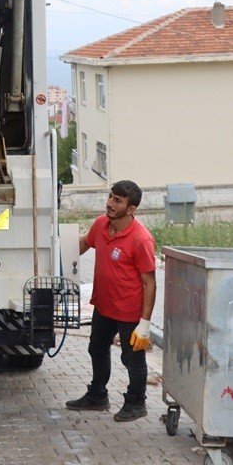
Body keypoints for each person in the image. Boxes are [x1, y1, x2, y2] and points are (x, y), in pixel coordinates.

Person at [66, 180, 156, 422]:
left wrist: (145, 324)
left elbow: (150, 283)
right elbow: (84, 243)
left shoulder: (141, 240)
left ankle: (137, 403)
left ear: (132, 209)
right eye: (110, 196)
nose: (110, 203)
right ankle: (97, 396)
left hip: (129, 311)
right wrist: (55, 254)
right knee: (96, 347)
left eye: (118, 200)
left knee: (132, 358)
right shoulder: (100, 224)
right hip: (104, 306)